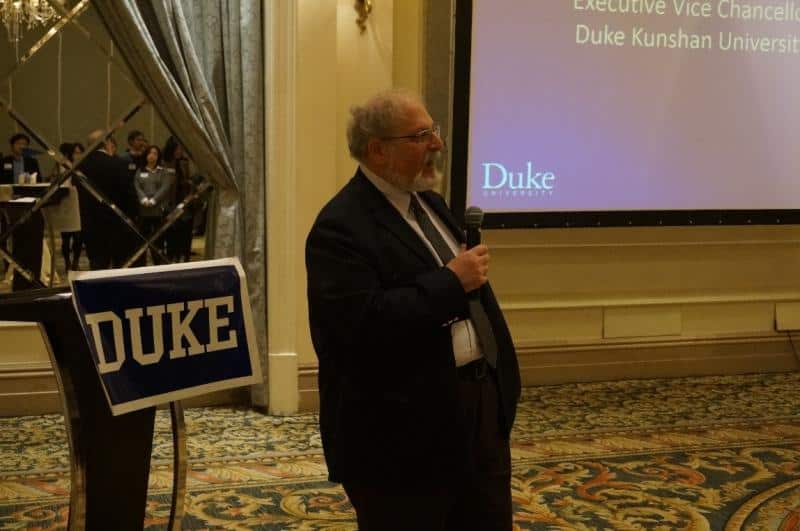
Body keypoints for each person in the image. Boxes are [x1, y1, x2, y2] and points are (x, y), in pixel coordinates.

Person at [305, 89, 521, 531]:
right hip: (400, 436)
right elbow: (359, 326)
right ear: (378, 150)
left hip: (476, 415)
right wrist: (450, 280)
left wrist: (500, 392)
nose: (437, 145)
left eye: (433, 131)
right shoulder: (340, 227)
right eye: (420, 136)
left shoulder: (431, 204)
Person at [133, 145, 172, 264]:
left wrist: (154, 200)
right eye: (150, 153)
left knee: (158, 240)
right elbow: (136, 185)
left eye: (155, 153)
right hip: (143, 210)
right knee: (142, 239)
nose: (152, 156)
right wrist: (143, 198)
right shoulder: (140, 171)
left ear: (158, 156)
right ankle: (141, 264)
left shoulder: (162, 171)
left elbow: (165, 187)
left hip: (158, 210)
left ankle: (159, 263)